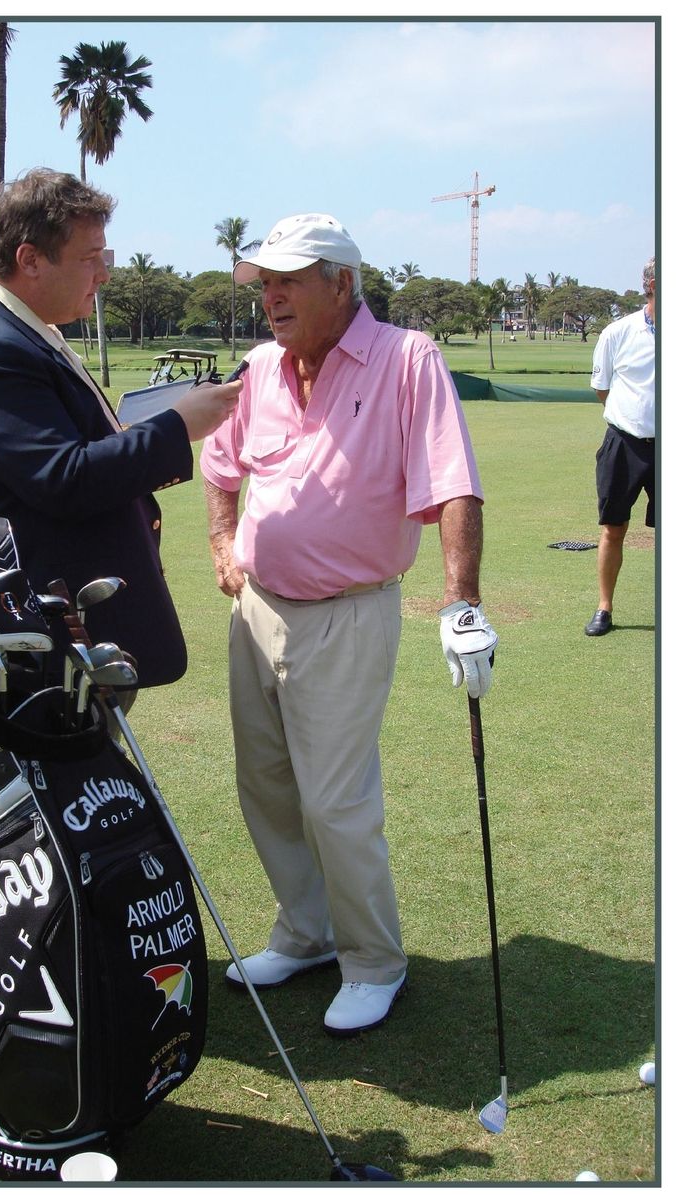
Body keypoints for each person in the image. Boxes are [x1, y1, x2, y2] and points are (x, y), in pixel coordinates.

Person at [200, 213, 497, 1036]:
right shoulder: (260, 367)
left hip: (348, 611)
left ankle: (373, 961)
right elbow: (220, 465)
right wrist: (223, 541)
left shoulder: (408, 358)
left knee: (334, 801)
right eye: (263, 283)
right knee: (263, 784)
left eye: (287, 279)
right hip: (256, 608)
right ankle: (306, 931)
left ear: (341, 283)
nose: (271, 297)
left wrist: (460, 601)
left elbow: (453, 485)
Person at [0, 168, 242, 686]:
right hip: (50, 639)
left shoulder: (21, 331)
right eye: (89, 258)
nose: (103, 274)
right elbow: (65, 479)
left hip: (66, 626)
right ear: (30, 259)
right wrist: (177, 425)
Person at [584, 257, 656, 636]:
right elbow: (602, 388)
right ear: (653, 286)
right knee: (614, 527)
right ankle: (604, 608)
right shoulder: (618, 333)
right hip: (624, 443)